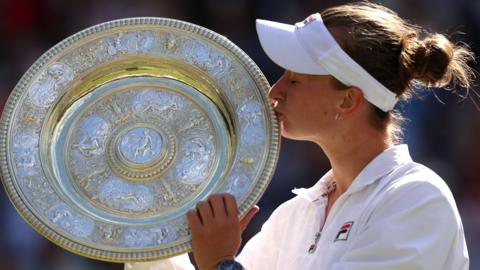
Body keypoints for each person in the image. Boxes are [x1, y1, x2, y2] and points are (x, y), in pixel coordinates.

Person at [125, 2, 475, 270]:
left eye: (295, 79)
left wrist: (220, 263)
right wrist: (148, 229)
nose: (274, 91)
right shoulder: (295, 215)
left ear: (349, 99)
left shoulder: (416, 199)